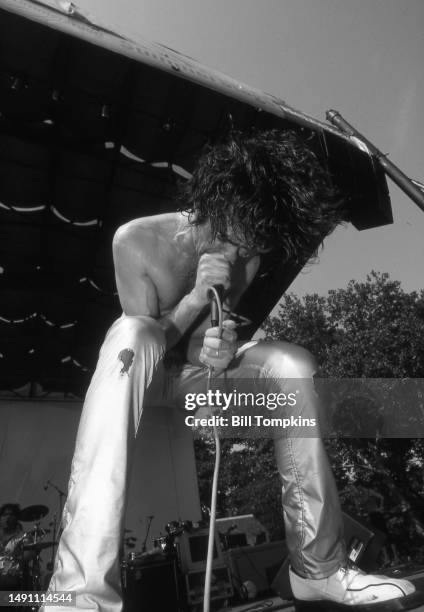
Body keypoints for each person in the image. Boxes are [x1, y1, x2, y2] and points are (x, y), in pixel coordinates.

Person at [45, 130, 416, 611]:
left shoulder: (252, 253)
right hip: (143, 372)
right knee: (129, 336)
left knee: (291, 363)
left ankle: (317, 569)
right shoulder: (137, 241)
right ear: (215, 202)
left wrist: (221, 349)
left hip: (194, 377)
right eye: (237, 240)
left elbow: (201, 348)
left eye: (254, 246)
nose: (242, 256)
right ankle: (79, 592)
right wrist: (197, 296)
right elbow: (155, 343)